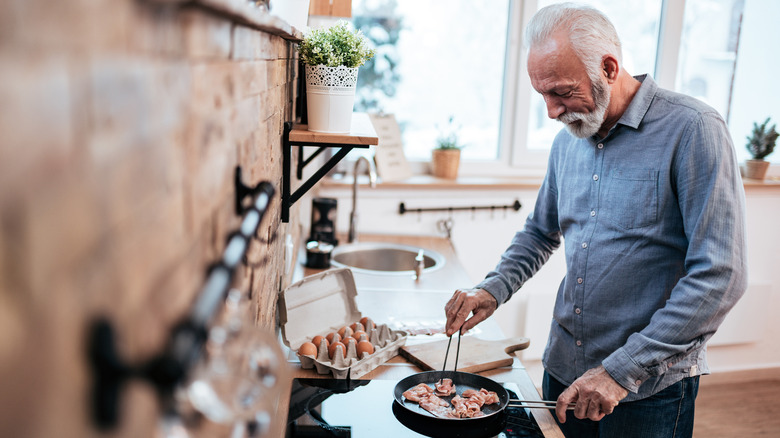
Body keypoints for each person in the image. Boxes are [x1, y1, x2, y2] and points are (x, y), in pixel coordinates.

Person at [444, 3, 747, 437]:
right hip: (564, 370)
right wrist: (492, 289)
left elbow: (720, 275)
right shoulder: (569, 140)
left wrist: (620, 371)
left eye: (562, 92)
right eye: (543, 95)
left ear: (608, 67)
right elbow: (539, 231)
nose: (551, 111)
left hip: (647, 389)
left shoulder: (694, 129)